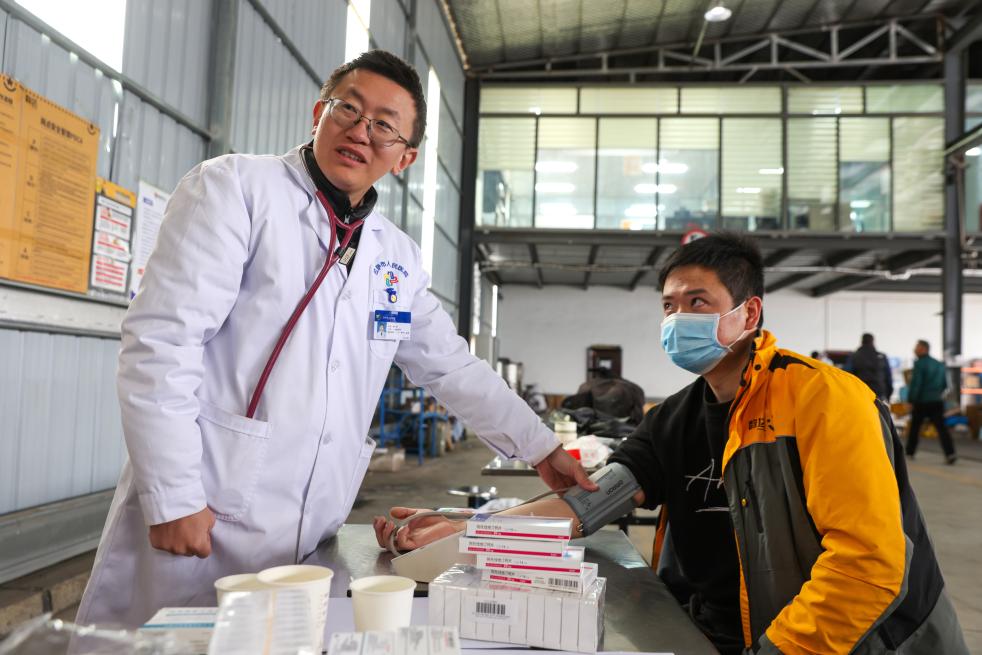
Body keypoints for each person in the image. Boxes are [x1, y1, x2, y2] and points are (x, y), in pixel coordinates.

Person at [76, 50, 593, 628]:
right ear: (318, 112)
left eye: (385, 126)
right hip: (204, 508)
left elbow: (451, 366)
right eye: (348, 109)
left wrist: (541, 447)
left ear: (405, 157)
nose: (361, 131)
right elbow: (161, 343)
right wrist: (172, 495)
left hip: (311, 530)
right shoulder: (234, 189)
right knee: (170, 640)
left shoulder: (395, 257)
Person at [378, 233, 967, 655]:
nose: (677, 318)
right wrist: (465, 530)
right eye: (669, 305)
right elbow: (588, 502)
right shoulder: (673, 418)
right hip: (719, 635)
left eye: (698, 303)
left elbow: (868, 568)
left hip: (858, 642)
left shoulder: (826, 400)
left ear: (749, 313)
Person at [906, 339, 957, 463]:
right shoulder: (939, 364)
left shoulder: (920, 364)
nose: (914, 350)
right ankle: (950, 453)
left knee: (915, 428)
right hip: (937, 401)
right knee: (942, 429)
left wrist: (911, 400)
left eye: (917, 347)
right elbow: (945, 384)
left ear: (924, 349)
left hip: (921, 402)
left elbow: (916, 384)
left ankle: (909, 452)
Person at [847, 333, 894, 402]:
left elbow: (848, 375)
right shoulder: (881, 356)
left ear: (862, 342)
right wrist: (888, 396)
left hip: (860, 393)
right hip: (879, 394)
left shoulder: (854, 356)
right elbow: (888, 378)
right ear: (873, 342)